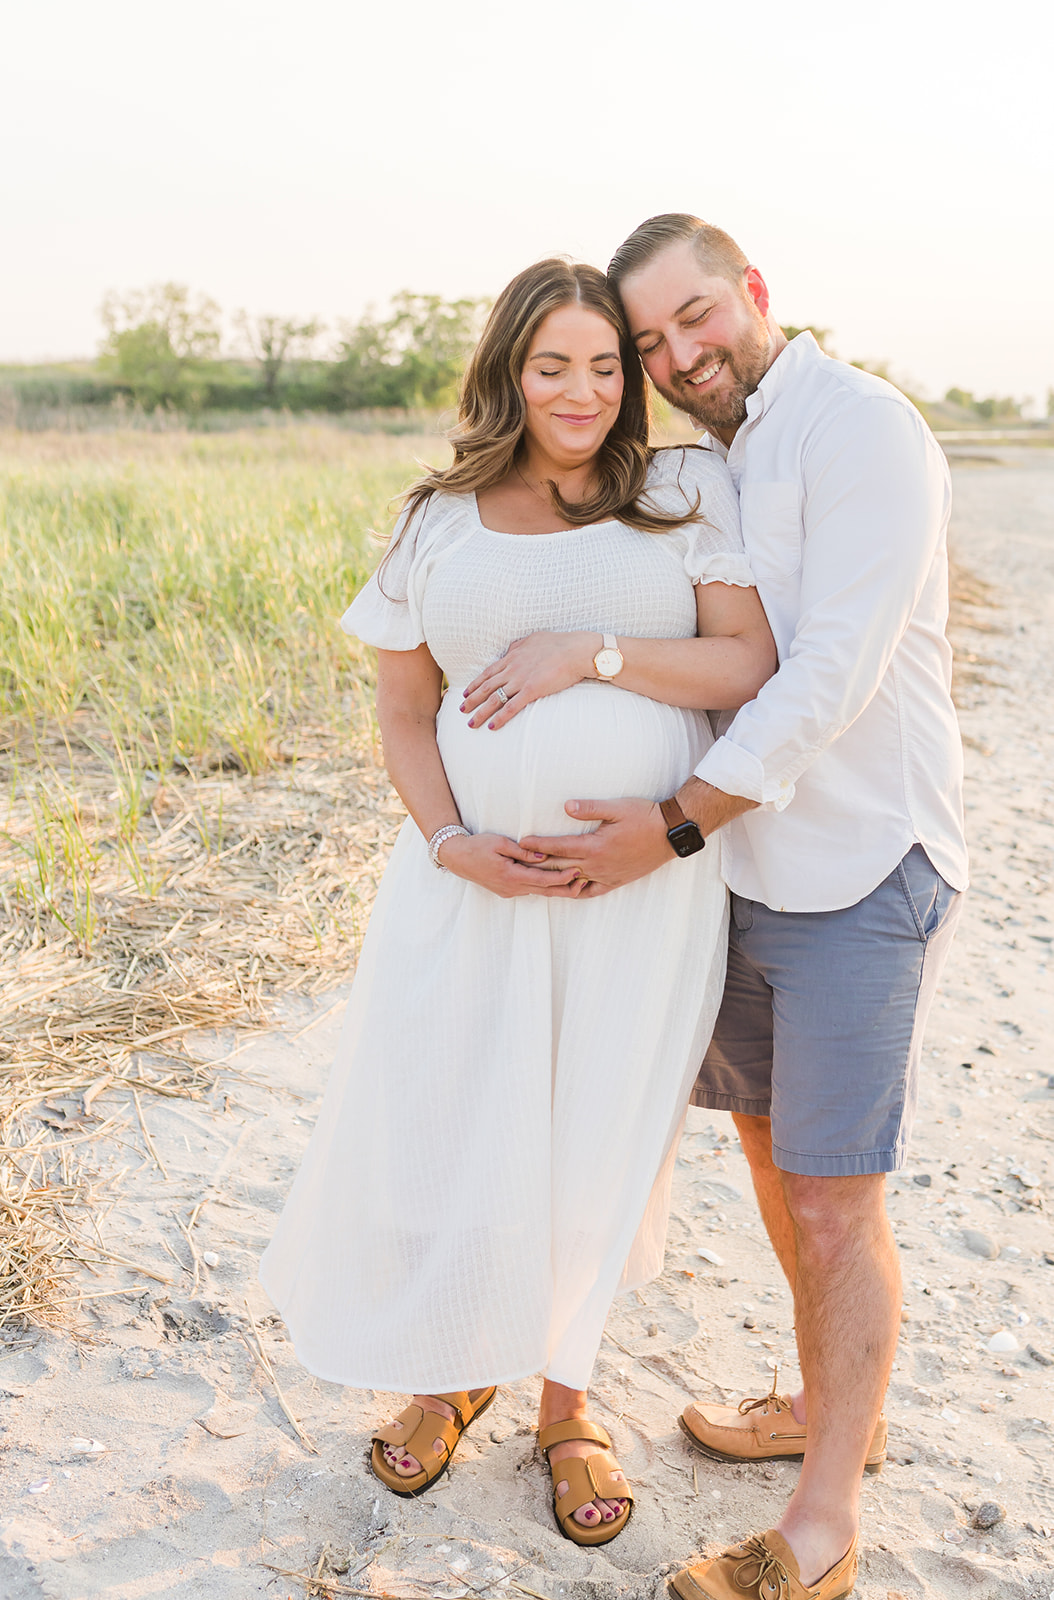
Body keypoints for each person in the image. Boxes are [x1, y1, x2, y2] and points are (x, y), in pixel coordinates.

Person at [258, 258, 776, 1548]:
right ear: (507, 370)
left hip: (642, 885)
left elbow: (747, 661)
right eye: (554, 365)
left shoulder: (682, 490)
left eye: (608, 365)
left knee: (594, 1126)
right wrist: (452, 844)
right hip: (469, 889)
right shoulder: (437, 515)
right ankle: (447, 1371)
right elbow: (399, 712)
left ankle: (567, 1401)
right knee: (458, 1110)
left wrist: (592, 662)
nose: (585, 390)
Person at [495, 219, 967, 1599]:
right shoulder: (712, 457)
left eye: (696, 317)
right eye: (649, 344)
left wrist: (680, 822)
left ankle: (819, 1533)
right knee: (774, 1164)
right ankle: (835, 1414)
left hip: (859, 870)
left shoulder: (859, 430)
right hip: (746, 880)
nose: (677, 354)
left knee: (832, 1197)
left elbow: (829, 673)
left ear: (752, 291)